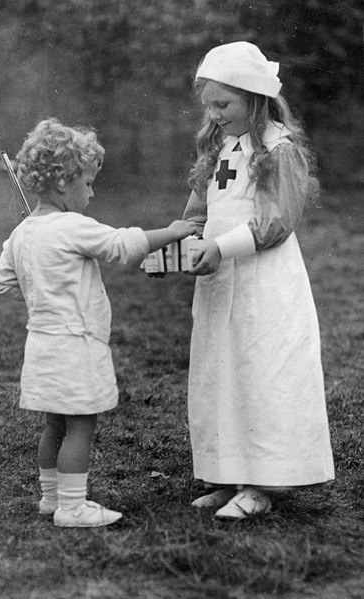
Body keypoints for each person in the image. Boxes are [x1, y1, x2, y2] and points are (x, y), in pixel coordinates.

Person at [0, 118, 197, 528]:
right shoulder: (72, 226)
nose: (92, 191)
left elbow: (3, 282)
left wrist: (41, 285)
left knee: (55, 423)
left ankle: (51, 498)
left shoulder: (22, 234)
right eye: (87, 183)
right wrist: (172, 231)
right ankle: (72, 507)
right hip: (75, 345)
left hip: (41, 345)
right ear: (64, 183)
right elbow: (123, 246)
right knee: (81, 426)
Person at [182, 41, 334, 519]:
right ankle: (226, 476)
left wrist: (218, 247)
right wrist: (179, 244)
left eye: (222, 104)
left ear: (254, 98)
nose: (214, 114)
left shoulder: (279, 151)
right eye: (209, 105)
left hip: (264, 285)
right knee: (219, 372)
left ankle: (261, 483)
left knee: (259, 373)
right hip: (219, 283)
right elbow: (198, 213)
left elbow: (275, 224)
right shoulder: (219, 147)